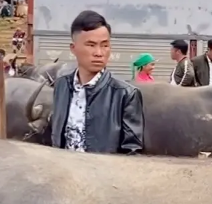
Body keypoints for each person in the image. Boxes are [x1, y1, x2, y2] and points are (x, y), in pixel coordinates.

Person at [46, 10, 145, 154]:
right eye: (91, 45)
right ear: (73, 48)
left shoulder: (125, 94)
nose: (99, 53)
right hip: (64, 172)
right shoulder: (61, 86)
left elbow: (132, 152)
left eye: (105, 45)